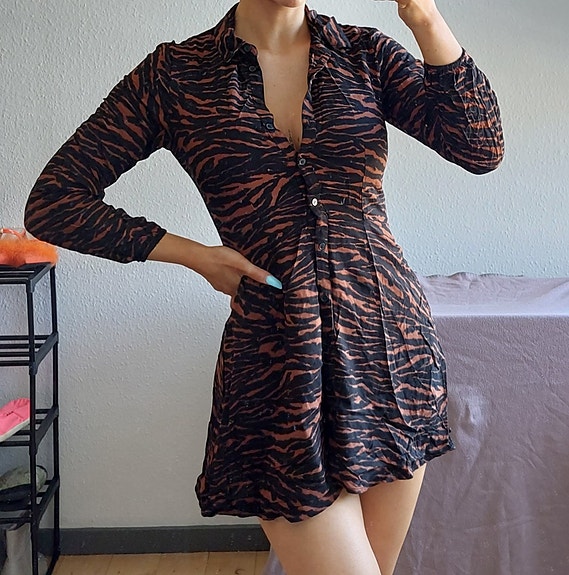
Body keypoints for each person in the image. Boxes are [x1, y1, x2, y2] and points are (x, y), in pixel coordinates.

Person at [24, 0, 504, 573]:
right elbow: (54, 202)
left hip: (390, 350)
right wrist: (195, 256)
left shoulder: (365, 53)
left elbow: (480, 147)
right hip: (278, 365)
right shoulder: (177, 74)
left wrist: (423, 16)